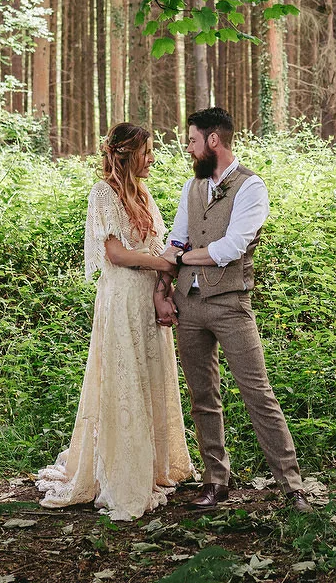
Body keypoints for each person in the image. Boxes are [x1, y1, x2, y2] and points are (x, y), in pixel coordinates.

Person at [35, 122, 194, 520]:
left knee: (150, 376)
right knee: (124, 379)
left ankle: (153, 465)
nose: (153, 158)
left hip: (146, 299)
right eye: (146, 152)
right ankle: (123, 472)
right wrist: (162, 263)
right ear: (125, 154)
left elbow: (159, 243)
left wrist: (164, 285)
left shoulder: (144, 193)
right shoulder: (103, 193)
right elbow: (117, 254)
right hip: (122, 296)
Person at [160, 106, 314, 513]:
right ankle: (216, 482)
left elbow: (231, 248)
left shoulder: (251, 187)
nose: (188, 148)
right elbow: (175, 240)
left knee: (257, 393)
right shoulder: (191, 188)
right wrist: (168, 276)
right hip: (187, 306)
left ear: (213, 141)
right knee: (202, 397)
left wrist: (180, 258)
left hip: (230, 304)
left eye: (192, 140)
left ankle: (293, 488)